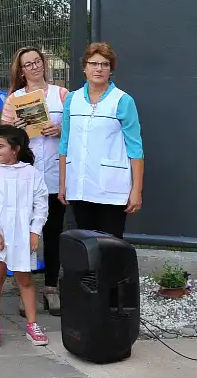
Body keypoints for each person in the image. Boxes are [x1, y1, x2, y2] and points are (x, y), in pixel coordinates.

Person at [3, 46, 68, 314]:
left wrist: (60, 129)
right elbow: (2, 140)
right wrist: (14, 130)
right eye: (27, 64)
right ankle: (25, 287)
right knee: (24, 234)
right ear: (21, 71)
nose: (34, 67)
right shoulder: (14, 99)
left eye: (37, 61)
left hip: (54, 174)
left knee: (53, 233)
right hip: (25, 176)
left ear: (44, 63)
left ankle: (51, 287)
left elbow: (76, 130)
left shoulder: (62, 95)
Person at [58, 42, 143, 238]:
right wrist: (63, 183)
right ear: (85, 67)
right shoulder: (72, 99)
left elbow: (135, 149)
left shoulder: (123, 101)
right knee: (86, 244)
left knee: (111, 245)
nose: (99, 69)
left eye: (105, 64)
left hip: (112, 188)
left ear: (111, 69)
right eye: (93, 63)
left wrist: (136, 190)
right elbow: (65, 143)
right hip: (79, 186)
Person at [0, 126, 49, 348]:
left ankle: (32, 324)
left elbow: (41, 204)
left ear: (15, 149)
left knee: (25, 279)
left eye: (1, 146)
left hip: (22, 234)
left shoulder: (31, 173)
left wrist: (34, 231)